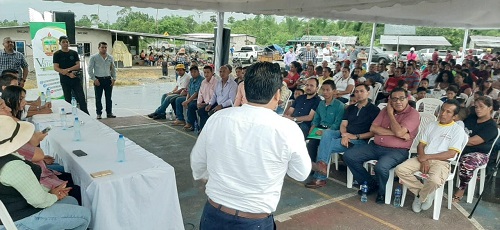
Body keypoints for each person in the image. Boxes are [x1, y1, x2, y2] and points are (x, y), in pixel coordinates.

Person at [190, 62, 311, 229]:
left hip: (214, 214)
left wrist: (217, 182)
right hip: (254, 221)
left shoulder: (218, 119)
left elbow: (198, 163)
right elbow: (300, 173)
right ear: (277, 94)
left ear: (244, 90)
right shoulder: (288, 129)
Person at [0, 115, 91, 229]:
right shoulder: (14, 166)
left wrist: (52, 192)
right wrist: (54, 196)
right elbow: (39, 201)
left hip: (12, 210)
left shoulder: (6, 158)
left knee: (71, 200)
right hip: (19, 218)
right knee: (84, 216)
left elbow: (27, 188)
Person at [343, 88, 420, 204]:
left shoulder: (413, 114)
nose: (398, 102)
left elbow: (399, 132)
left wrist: (390, 114)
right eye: (394, 99)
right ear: (390, 101)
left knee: (381, 167)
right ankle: (370, 183)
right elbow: (373, 128)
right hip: (376, 146)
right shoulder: (385, 110)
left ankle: (382, 192)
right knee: (349, 155)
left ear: (407, 99)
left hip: (398, 151)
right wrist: (398, 132)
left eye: (401, 98)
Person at [396, 100, 467, 213]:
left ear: (455, 116)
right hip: (423, 158)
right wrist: (424, 159)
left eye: (448, 112)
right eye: (442, 110)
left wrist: (426, 157)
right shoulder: (431, 125)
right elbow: (421, 145)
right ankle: (424, 194)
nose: (443, 113)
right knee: (400, 170)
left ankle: (420, 198)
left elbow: (451, 154)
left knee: (434, 181)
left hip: (442, 161)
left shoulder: (457, 130)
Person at [307, 84, 380, 188]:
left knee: (326, 145)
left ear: (368, 93)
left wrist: (355, 136)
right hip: (345, 135)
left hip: (360, 140)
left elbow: (373, 132)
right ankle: (321, 168)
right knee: (327, 133)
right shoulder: (351, 108)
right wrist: (345, 135)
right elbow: (343, 125)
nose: (358, 94)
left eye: (361, 91)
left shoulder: (374, 110)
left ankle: (320, 176)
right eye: (356, 91)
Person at [453, 96, 499, 202]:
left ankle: (461, 189)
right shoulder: (472, 117)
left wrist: (456, 138)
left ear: (490, 108)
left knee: (468, 162)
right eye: (476, 106)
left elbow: (471, 141)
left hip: (478, 154)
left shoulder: (491, 127)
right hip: (461, 148)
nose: (478, 109)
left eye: (481, 107)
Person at [305, 80, 345, 162]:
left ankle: (318, 166)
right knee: (309, 142)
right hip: (320, 128)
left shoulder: (339, 105)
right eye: (323, 90)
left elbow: (337, 124)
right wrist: (312, 127)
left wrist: (324, 132)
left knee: (316, 143)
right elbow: (317, 118)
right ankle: (310, 165)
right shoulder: (321, 103)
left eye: (328, 90)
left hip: (332, 131)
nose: (325, 92)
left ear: (333, 91)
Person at [53, 36, 89, 115]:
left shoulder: (74, 53)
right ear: (60, 43)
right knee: (67, 98)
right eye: (63, 42)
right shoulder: (57, 54)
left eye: (67, 42)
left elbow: (78, 65)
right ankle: (69, 114)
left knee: (81, 98)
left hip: (75, 78)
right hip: (65, 79)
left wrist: (68, 70)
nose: (65, 44)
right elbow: (56, 67)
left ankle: (86, 114)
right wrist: (68, 73)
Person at [198, 66, 237, 131]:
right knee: (202, 111)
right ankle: (203, 130)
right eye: (220, 72)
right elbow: (214, 95)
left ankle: (212, 132)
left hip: (227, 106)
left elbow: (231, 100)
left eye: (224, 71)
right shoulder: (218, 82)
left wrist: (221, 106)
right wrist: (210, 104)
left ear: (229, 72)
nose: (222, 73)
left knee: (213, 114)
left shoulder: (233, 84)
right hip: (218, 104)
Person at [88, 42, 117, 119]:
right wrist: (94, 79)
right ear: (99, 48)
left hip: (108, 79)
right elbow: (90, 69)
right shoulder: (94, 57)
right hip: (98, 80)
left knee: (108, 98)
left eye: (105, 47)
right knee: (98, 98)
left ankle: (109, 112)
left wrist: (114, 79)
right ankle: (99, 113)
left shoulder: (110, 57)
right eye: (102, 47)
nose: (104, 49)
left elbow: (113, 68)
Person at [196, 66, 218, 130]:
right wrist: (199, 103)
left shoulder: (216, 82)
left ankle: (204, 129)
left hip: (213, 102)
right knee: (192, 106)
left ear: (212, 72)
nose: (206, 74)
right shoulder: (203, 82)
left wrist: (207, 104)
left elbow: (215, 96)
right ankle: (195, 125)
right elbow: (200, 93)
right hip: (204, 102)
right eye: (205, 72)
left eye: (208, 72)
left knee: (202, 111)